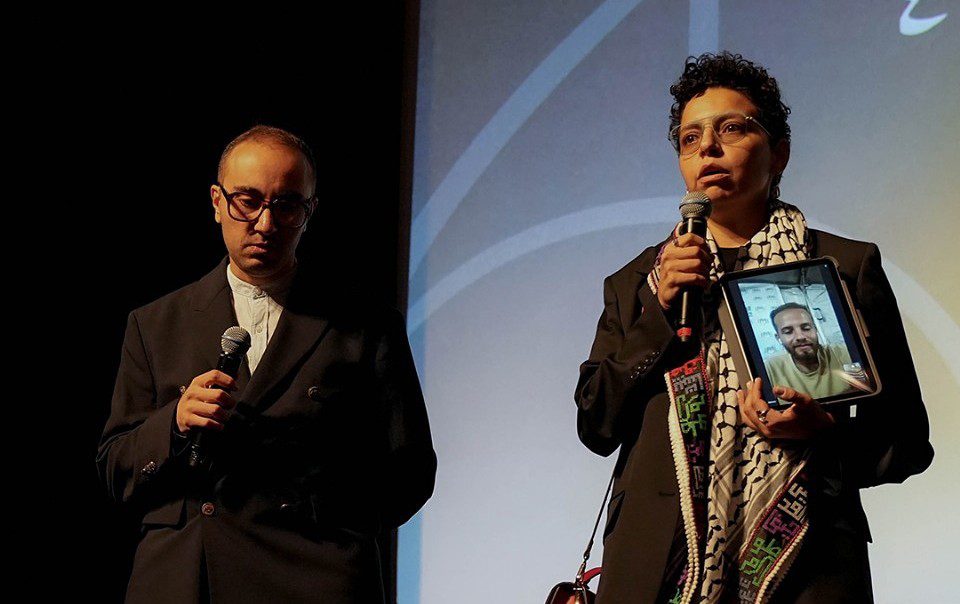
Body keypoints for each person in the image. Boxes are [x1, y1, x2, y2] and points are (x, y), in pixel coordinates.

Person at [575, 53, 932, 603]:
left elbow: (905, 442)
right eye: (689, 139)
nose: (707, 149)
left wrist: (823, 432)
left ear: (779, 152)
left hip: (806, 566)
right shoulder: (638, 284)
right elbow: (595, 422)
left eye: (731, 129)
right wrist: (659, 312)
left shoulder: (843, 266)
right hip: (655, 570)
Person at [97, 125, 437, 603]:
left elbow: (410, 471)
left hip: (314, 577)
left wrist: (320, 513)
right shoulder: (155, 323)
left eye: (287, 205)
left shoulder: (365, 324)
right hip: (187, 578)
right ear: (217, 202)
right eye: (248, 201)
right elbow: (116, 468)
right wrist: (173, 422)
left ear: (309, 212)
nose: (265, 222)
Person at [764, 303, 856, 400]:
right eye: (788, 332)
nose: (800, 337)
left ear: (815, 330)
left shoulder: (844, 353)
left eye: (806, 328)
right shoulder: (770, 368)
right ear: (778, 338)